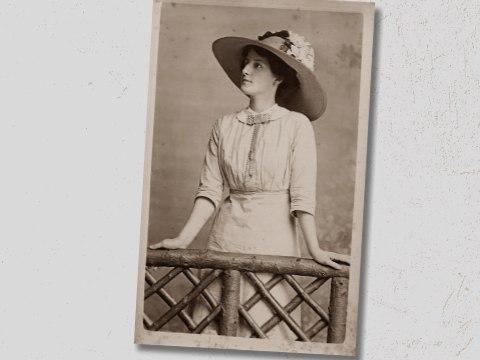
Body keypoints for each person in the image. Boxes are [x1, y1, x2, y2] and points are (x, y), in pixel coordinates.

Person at [149, 30, 350, 338]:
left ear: (278, 77)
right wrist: (183, 239)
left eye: (257, 65)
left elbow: (302, 195)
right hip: (225, 237)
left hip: (274, 239)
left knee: (266, 326)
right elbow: (210, 190)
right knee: (212, 326)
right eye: (246, 63)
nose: (244, 70)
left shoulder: (296, 126)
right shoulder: (224, 126)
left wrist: (315, 248)